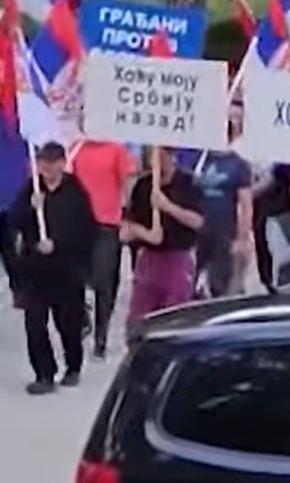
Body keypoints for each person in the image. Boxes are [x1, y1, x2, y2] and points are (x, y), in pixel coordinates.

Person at [5, 142, 94, 395]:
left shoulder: (75, 192)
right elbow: (14, 220)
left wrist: (58, 244)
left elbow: (86, 231)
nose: (48, 168)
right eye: (44, 162)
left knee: (68, 323)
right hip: (35, 270)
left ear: (63, 163)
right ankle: (44, 373)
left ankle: (73, 366)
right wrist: (29, 208)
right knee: (34, 322)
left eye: (53, 162)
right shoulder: (32, 189)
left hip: (66, 270)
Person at [67, 133, 136, 360]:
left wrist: (128, 216)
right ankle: (82, 319)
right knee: (74, 277)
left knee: (104, 282)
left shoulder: (116, 149)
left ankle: (101, 338)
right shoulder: (77, 148)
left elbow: (127, 184)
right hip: (79, 223)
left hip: (107, 223)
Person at [123, 147, 204, 333]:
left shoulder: (188, 183)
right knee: (138, 321)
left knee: (174, 319)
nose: (157, 160)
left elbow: (199, 222)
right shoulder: (143, 185)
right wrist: (140, 232)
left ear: (172, 156)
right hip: (148, 258)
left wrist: (168, 207)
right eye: (153, 155)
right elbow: (129, 224)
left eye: (162, 155)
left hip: (178, 258)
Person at [191, 101, 253, 298]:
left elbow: (246, 205)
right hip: (195, 231)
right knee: (190, 282)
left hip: (224, 232)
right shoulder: (199, 158)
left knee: (220, 284)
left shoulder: (239, 164)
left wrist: (242, 238)